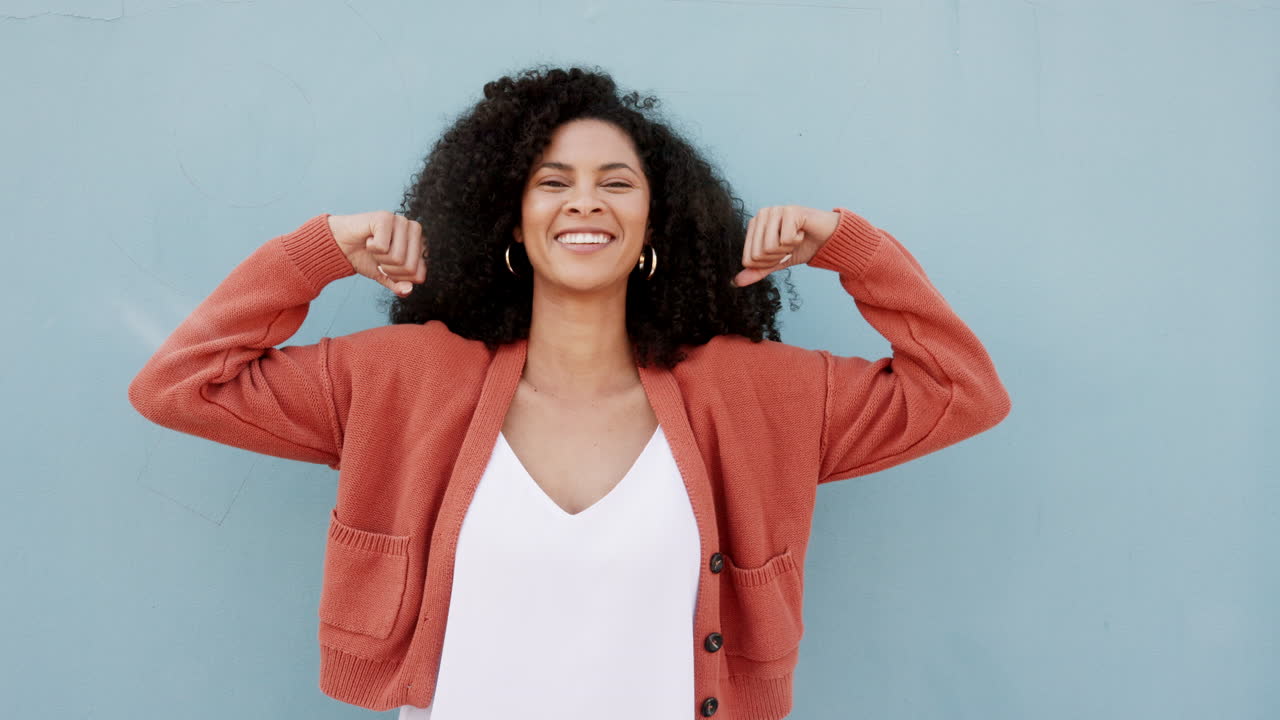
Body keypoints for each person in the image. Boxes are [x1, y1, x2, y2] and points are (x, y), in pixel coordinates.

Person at [128, 65, 1011, 719]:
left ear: (653, 222)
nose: (583, 203)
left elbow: (962, 392)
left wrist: (849, 246)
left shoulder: (753, 396)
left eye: (615, 182)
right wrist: (317, 250)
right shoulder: (404, 382)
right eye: (552, 182)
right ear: (510, 220)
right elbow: (180, 385)